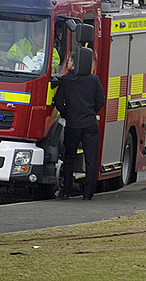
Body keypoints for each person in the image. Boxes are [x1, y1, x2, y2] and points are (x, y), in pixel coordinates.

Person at [54, 53, 106, 200]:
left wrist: (66, 113)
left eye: (70, 60)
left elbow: (58, 101)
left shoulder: (67, 80)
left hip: (73, 124)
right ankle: (88, 193)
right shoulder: (94, 80)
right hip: (90, 124)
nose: (68, 62)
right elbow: (100, 101)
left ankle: (66, 190)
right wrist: (90, 112)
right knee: (91, 158)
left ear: (75, 63)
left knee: (69, 156)